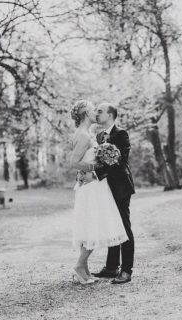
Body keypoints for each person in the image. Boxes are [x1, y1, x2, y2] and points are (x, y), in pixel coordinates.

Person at [69, 100, 128, 285]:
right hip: (91, 187)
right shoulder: (85, 136)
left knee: (91, 226)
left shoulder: (89, 134)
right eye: (93, 110)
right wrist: (94, 167)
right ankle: (79, 266)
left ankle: (84, 270)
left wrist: (93, 169)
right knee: (93, 226)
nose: (96, 112)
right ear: (86, 113)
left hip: (95, 185)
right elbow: (74, 162)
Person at [91, 102, 135, 284]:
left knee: (123, 227)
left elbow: (120, 161)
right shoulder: (99, 136)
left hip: (121, 187)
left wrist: (96, 173)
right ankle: (111, 267)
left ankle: (126, 270)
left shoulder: (121, 134)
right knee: (111, 225)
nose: (96, 114)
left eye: (100, 112)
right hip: (105, 189)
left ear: (110, 115)